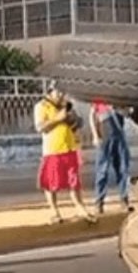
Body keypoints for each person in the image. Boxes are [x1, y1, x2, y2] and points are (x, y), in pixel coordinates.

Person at [34, 82, 96, 224]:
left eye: (63, 93)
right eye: (59, 93)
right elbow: (40, 127)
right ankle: (54, 211)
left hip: (69, 147)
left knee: (74, 181)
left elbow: (77, 123)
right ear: (51, 91)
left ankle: (80, 207)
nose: (61, 95)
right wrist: (57, 118)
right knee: (51, 182)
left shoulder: (65, 105)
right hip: (52, 150)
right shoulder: (41, 106)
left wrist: (72, 118)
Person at [89, 99, 131, 213]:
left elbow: (127, 113)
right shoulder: (98, 98)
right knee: (102, 171)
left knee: (123, 169)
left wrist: (118, 108)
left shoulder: (118, 96)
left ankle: (124, 199)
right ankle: (99, 202)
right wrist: (95, 135)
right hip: (105, 138)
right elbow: (92, 116)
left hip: (119, 137)